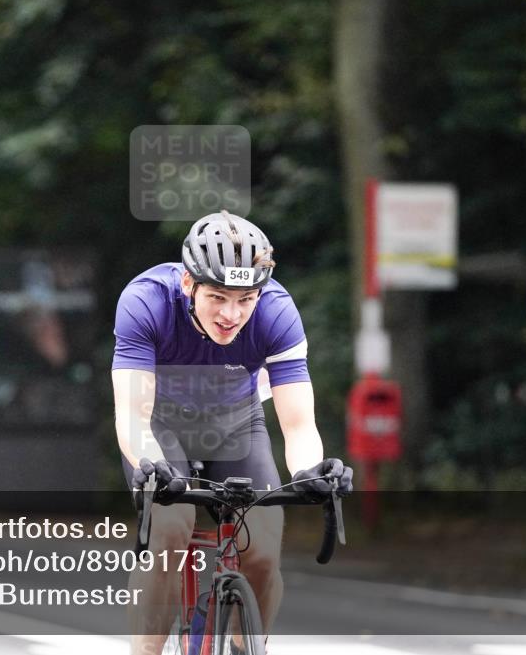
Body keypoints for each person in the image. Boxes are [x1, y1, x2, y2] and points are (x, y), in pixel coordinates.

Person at [112, 210, 354, 654]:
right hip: (161, 427)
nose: (232, 313)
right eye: (219, 297)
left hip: (236, 424)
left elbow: (299, 424)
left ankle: (242, 646)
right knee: (170, 528)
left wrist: (311, 472)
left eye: (245, 299)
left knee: (261, 550)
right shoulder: (145, 302)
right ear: (189, 284)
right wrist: (156, 469)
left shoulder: (277, 313)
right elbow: (132, 413)